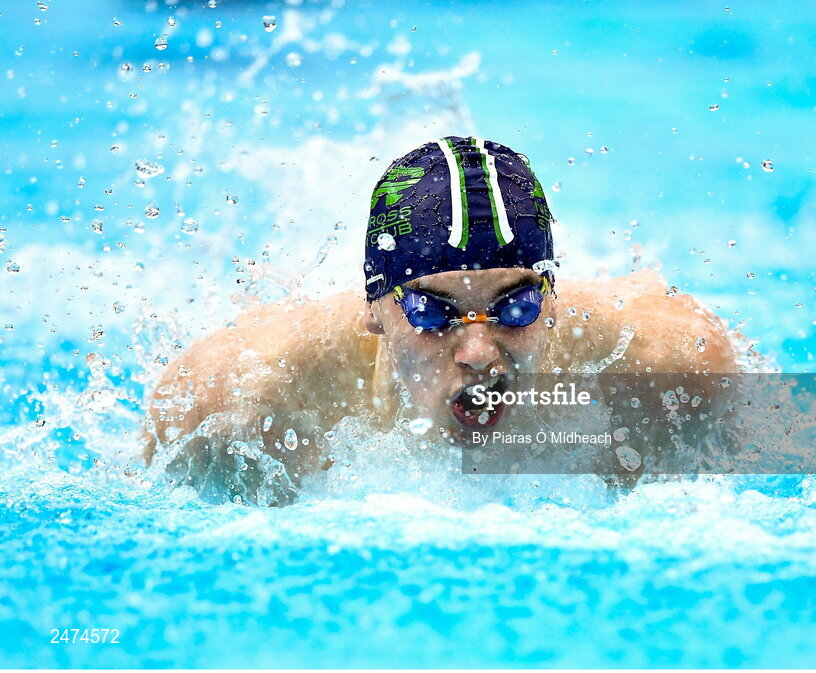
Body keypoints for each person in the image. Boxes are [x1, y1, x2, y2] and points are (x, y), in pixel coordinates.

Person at [143, 136, 737, 503]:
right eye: (432, 311)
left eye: (517, 305)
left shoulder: (670, 371)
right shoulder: (236, 405)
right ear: (374, 310)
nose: (478, 351)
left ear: (552, 304)